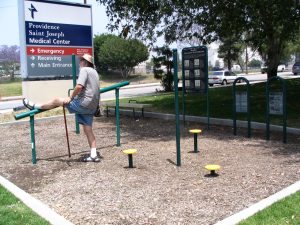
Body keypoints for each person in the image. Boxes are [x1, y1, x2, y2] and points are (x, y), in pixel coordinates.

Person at [23, 54, 100, 162]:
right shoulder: (95, 73)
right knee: (88, 129)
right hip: (92, 107)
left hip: (84, 104)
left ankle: (34, 106)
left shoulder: (85, 70)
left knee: (56, 100)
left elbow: (79, 86)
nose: (79, 62)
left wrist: (70, 97)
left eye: (81, 60)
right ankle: (93, 155)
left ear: (84, 62)